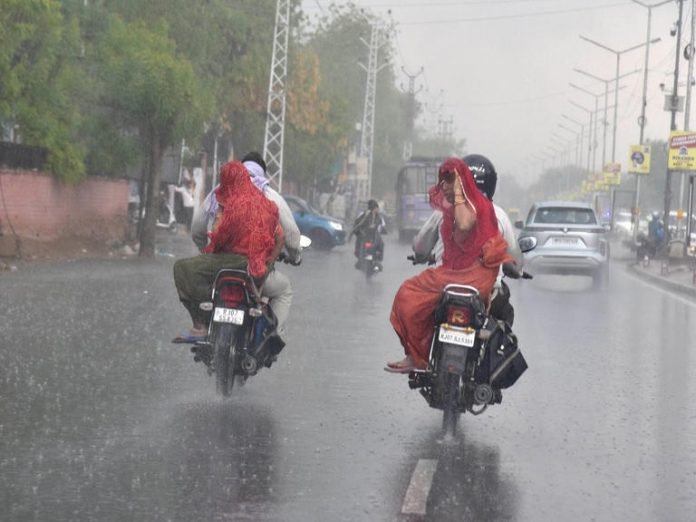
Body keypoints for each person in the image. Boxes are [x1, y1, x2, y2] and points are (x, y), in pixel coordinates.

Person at [386, 157, 512, 373]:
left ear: (461, 182)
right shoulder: (490, 211)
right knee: (410, 297)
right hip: (459, 277)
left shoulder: (470, 206)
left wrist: (459, 196)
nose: (442, 186)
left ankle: (417, 356)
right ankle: (420, 356)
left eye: (448, 180)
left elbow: (463, 225)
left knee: (409, 295)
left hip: (467, 278)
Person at [191, 151, 301, 334]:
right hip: (252, 269)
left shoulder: (220, 193)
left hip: (220, 266)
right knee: (284, 290)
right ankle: (271, 335)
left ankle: (203, 327)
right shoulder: (269, 196)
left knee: (204, 292)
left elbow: (197, 228)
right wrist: (295, 256)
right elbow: (290, 235)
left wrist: (206, 251)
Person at [173, 161, 282, 341]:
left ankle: (200, 324)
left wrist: (210, 247)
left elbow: (218, 234)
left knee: (182, 268)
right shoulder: (265, 203)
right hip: (257, 266)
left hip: (232, 261)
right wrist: (268, 263)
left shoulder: (229, 202)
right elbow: (280, 236)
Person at [412, 153, 521, 325]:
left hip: (444, 289)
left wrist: (421, 256)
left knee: (419, 320)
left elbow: (420, 248)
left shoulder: (443, 211)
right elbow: (514, 261)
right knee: (504, 326)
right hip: (484, 292)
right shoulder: (499, 215)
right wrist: (514, 269)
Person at [350, 199, 386, 270]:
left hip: (374, 236)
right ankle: (360, 259)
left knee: (381, 244)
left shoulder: (378, 216)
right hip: (364, 236)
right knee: (359, 243)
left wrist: (381, 230)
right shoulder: (364, 215)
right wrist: (359, 232)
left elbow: (383, 225)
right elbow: (357, 224)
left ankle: (378, 260)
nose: (377, 209)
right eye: (376, 208)